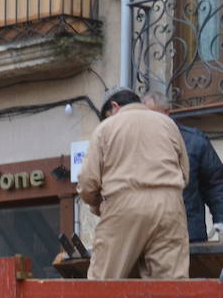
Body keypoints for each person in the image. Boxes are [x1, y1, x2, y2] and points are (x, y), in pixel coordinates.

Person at [77, 89, 190, 279]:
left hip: (123, 204)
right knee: (171, 287)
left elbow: (88, 182)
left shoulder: (106, 128)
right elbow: (184, 173)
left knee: (103, 284)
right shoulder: (168, 124)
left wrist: (99, 206)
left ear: (114, 106)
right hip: (169, 207)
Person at [144, 92, 223, 243]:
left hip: (189, 233)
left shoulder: (194, 140)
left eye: (153, 116)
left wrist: (220, 220)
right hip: (148, 236)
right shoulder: (135, 144)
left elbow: (215, 184)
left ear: (166, 113)